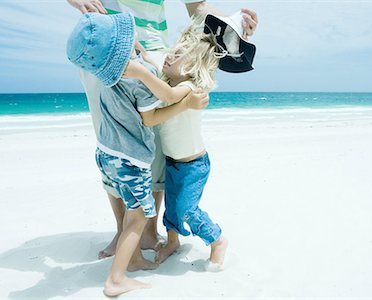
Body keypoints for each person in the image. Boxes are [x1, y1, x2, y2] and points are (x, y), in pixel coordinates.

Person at [67, 0, 258, 262]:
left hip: (154, 48)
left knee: (160, 170)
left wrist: (233, 28)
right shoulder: (178, 77)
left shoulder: (184, 81)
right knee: (115, 145)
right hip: (103, 46)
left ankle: (147, 231)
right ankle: (125, 231)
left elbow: (198, 6)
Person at [66, 12, 209, 296]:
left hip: (106, 155)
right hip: (130, 160)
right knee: (139, 215)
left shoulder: (106, 73)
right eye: (130, 36)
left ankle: (133, 258)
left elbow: (144, 68)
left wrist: (142, 59)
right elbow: (155, 113)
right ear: (123, 48)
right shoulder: (139, 78)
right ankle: (116, 279)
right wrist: (187, 102)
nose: (136, 37)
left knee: (129, 205)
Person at [123, 11, 256, 269]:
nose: (169, 56)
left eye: (178, 55)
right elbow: (151, 59)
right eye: (172, 51)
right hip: (174, 161)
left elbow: (170, 96)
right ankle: (173, 241)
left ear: (193, 67)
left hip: (194, 165)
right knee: (172, 208)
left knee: (186, 209)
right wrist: (138, 48)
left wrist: (141, 73)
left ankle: (217, 240)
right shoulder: (168, 78)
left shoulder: (190, 87)